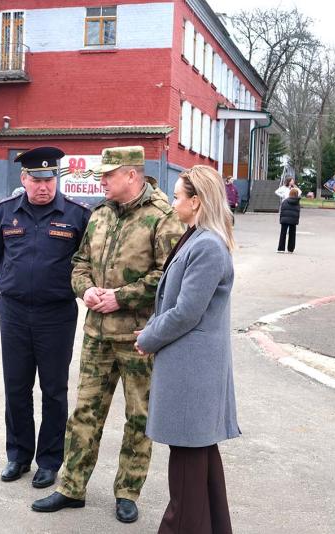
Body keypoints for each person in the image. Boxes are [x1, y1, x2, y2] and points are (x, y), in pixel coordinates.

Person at [32, 146, 184, 523]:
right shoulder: (99, 216)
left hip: (139, 337)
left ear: (131, 175)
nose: (101, 181)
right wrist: (85, 290)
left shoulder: (162, 218)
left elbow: (168, 277)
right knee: (84, 412)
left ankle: (127, 492)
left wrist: (120, 297)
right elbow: (79, 263)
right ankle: (71, 486)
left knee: (138, 418)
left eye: (108, 174)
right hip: (97, 335)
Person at [134, 165, 240, 534]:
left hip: (193, 373)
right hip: (191, 368)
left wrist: (148, 337)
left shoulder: (207, 245)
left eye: (178, 196)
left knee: (186, 471)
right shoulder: (198, 237)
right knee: (201, 463)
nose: (173, 202)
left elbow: (185, 312)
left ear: (196, 202)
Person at [0, 146, 91, 489]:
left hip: (56, 315)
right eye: (37, 179)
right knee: (16, 387)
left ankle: (49, 460)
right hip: (14, 313)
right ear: (23, 179)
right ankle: (17, 455)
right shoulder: (4, 213)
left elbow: (85, 262)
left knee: (54, 390)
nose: (44, 186)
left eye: (50, 178)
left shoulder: (77, 216)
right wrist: (11, 283)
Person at [278, 187, 301, 253]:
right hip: (293, 220)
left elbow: (282, 211)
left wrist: (281, 219)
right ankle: (291, 249)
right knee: (292, 234)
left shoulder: (285, 201)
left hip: (284, 219)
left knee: (283, 233)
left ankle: (281, 248)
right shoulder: (297, 203)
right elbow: (297, 212)